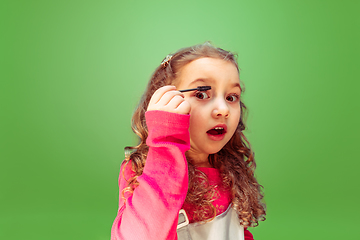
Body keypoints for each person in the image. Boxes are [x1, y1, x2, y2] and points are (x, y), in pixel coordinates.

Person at [111, 42, 266, 240]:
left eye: (231, 97)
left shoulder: (229, 168)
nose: (223, 109)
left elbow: (237, 232)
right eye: (201, 94)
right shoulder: (139, 169)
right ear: (165, 102)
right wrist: (165, 141)